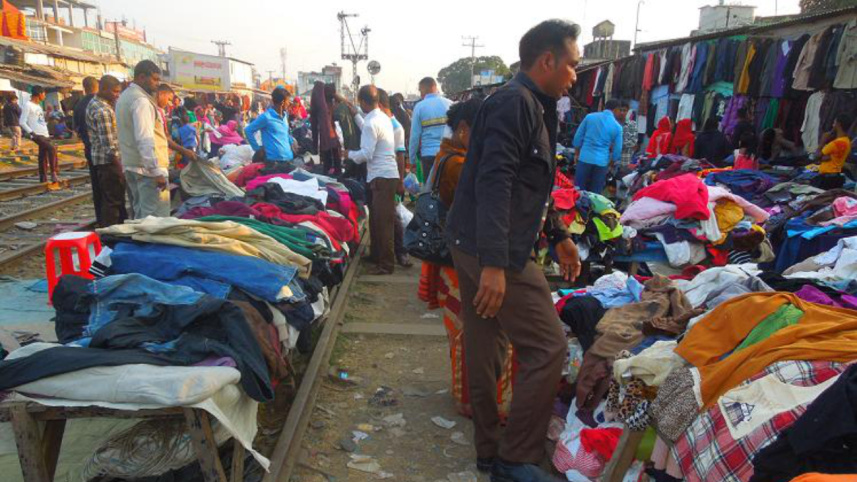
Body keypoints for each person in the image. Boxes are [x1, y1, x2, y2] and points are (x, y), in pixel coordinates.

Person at [446, 19, 582, 481]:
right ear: (547, 60)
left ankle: (489, 452)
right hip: (492, 247)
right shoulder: (514, 104)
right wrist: (496, 265)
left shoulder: (537, 106)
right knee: (548, 345)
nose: (575, 75)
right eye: (572, 64)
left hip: (477, 241)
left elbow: (533, 185)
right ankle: (516, 460)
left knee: (486, 346)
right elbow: (495, 182)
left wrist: (559, 234)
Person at [348, 85, 401, 275]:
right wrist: (355, 116)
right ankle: (376, 255)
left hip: (382, 177)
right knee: (377, 220)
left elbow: (366, 153)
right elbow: (368, 130)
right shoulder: (382, 119)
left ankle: (386, 264)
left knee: (384, 222)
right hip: (384, 175)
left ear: (363, 101)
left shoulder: (372, 123)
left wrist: (349, 154)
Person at [115, 60, 172, 218]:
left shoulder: (124, 97)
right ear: (141, 77)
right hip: (147, 170)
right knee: (154, 219)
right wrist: (156, 172)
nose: (157, 84)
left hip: (132, 165)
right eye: (154, 79)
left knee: (140, 213)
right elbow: (145, 138)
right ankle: (153, 244)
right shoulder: (141, 101)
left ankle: (141, 243)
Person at [378, 88, 412, 268]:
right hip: (381, 175)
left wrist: (400, 181)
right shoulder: (382, 123)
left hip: (391, 176)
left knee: (393, 217)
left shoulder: (395, 127)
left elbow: (400, 155)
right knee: (387, 216)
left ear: (382, 106)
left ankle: (401, 251)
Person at [86, 75, 126, 227]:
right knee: (113, 202)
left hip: (102, 162)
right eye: (115, 91)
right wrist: (119, 167)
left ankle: (112, 233)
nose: (117, 95)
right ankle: (110, 236)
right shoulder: (103, 110)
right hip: (109, 162)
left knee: (110, 200)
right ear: (103, 89)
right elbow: (109, 145)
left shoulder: (94, 103)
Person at [572, 99, 625, 193]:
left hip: (584, 158)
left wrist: (577, 153)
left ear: (605, 107)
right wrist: (611, 163)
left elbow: (577, 138)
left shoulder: (590, 117)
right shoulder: (618, 127)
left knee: (578, 192)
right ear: (616, 110)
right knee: (595, 195)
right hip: (602, 163)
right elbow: (617, 151)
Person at [409, 77, 453, 180]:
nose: (420, 94)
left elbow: (414, 136)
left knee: (430, 191)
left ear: (424, 89)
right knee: (447, 190)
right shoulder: (450, 104)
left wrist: (412, 160)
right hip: (448, 154)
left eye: (420, 90)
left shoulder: (419, 107)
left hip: (428, 155)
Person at [245, 87, 294, 166]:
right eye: (288, 101)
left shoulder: (285, 116)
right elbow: (248, 130)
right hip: (274, 161)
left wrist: (292, 142)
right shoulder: (266, 117)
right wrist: (258, 149)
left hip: (289, 159)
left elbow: (284, 133)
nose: (289, 104)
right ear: (282, 102)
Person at [20, 86, 58, 183]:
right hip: (37, 134)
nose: (44, 96)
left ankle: (43, 178)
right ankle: (54, 173)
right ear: (39, 94)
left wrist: (48, 113)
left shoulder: (38, 106)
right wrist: (32, 133)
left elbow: (41, 121)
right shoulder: (27, 105)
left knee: (43, 156)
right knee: (52, 148)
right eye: (44, 94)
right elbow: (22, 122)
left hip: (45, 133)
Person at [310, 81, 341, 175]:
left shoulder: (322, 101)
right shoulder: (325, 103)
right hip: (330, 133)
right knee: (332, 149)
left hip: (328, 133)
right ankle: (333, 170)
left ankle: (329, 169)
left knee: (328, 148)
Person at [816, 114, 853, 179]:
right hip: (836, 175)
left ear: (838, 124)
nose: (833, 125)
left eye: (834, 123)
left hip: (825, 177)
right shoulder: (848, 142)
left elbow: (816, 157)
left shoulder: (834, 144)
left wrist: (822, 141)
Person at [330, 84, 361, 152]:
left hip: (351, 145)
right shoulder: (347, 106)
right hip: (355, 144)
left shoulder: (341, 108)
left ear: (334, 102)